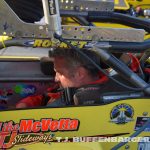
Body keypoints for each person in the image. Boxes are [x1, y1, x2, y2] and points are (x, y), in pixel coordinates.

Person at [16, 47, 109, 108]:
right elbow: (50, 95)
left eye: (60, 73)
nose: (56, 79)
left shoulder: (100, 102)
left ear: (79, 73)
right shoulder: (72, 88)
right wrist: (27, 103)